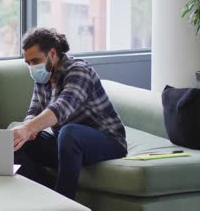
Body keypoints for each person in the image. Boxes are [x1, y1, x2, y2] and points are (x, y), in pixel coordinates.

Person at [13, 28, 127, 199]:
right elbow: (34, 111)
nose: (32, 67)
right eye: (28, 63)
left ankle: (64, 203)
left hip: (107, 141)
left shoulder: (79, 71)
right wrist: (27, 131)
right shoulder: (43, 78)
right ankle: (46, 195)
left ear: (52, 53)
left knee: (69, 132)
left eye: (35, 60)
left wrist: (29, 128)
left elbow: (62, 108)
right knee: (19, 143)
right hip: (67, 144)